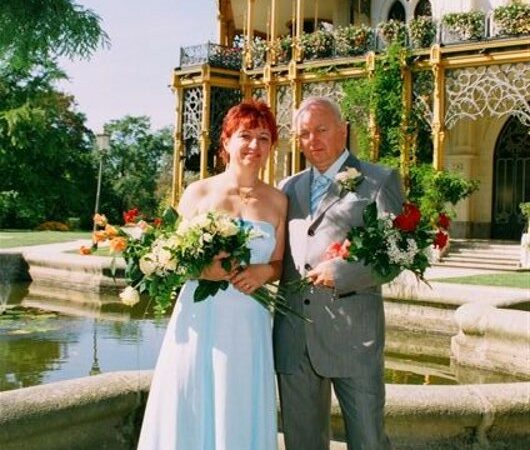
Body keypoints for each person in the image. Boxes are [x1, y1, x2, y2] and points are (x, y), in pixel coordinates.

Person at [137, 100, 287, 450]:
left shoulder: (278, 201)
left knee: (240, 398)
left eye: (263, 137)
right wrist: (203, 268)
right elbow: (169, 259)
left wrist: (264, 271)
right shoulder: (198, 192)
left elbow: (280, 265)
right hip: (200, 319)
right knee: (192, 396)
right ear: (227, 141)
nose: (254, 145)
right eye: (245, 135)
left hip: (249, 321)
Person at [274, 96, 405, 450]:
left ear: (344, 130)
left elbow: (398, 255)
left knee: (368, 442)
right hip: (294, 340)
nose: (312, 140)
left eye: (321, 130)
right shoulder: (287, 188)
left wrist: (345, 272)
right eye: (303, 134)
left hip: (354, 339)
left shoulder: (379, 180)